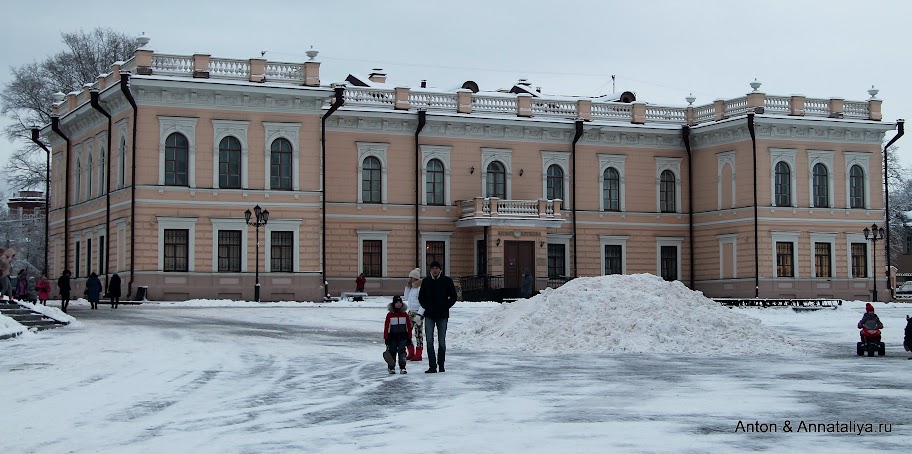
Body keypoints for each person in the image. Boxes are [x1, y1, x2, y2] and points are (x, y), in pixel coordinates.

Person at [418, 260, 458, 373]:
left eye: (437, 268)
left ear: (440, 269)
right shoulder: (426, 281)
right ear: (430, 270)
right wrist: (426, 307)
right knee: (429, 341)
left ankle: (441, 365)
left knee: (442, 342)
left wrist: (446, 306)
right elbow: (421, 297)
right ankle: (432, 366)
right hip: (429, 315)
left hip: (442, 315)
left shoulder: (447, 281)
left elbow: (454, 296)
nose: (435, 270)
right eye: (433, 268)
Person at [383, 295, 413, 374]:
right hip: (392, 337)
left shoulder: (405, 315)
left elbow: (408, 327)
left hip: (402, 337)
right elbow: (387, 327)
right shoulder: (390, 315)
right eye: (397, 302)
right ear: (393, 304)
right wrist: (386, 338)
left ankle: (402, 367)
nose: (399, 304)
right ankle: (391, 367)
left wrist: (409, 337)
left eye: (400, 302)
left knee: (402, 352)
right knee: (392, 352)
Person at [404, 268, 425, 361]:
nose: (410, 280)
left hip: (417, 313)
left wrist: (420, 314)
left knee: (418, 334)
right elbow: (406, 297)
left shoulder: (420, 288)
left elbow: (423, 302)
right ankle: (411, 351)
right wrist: (407, 287)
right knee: (407, 333)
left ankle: (419, 353)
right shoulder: (412, 288)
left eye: (411, 278)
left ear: (415, 278)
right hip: (410, 312)